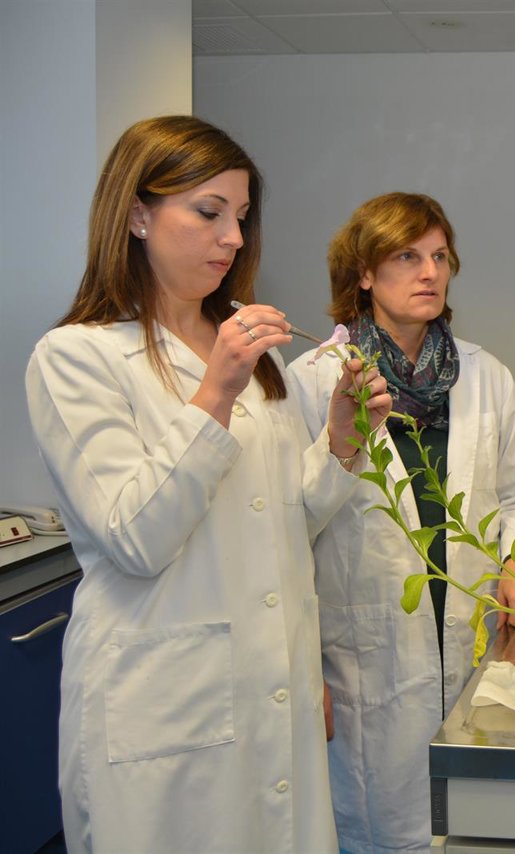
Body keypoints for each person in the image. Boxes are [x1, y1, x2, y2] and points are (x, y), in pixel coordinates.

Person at [24, 115, 391, 853]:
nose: (232, 238)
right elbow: (134, 536)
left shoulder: (258, 363)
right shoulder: (76, 358)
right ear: (135, 214)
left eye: (242, 218)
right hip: (164, 709)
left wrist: (344, 441)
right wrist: (213, 393)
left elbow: (289, 522)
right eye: (208, 212)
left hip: (269, 691)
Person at [288, 192, 515, 853]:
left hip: (472, 643)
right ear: (365, 274)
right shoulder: (311, 381)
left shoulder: (485, 376)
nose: (430, 272)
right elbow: (287, 527)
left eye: (439, 256)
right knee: (382, 830)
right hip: (362, 661)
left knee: (475, 829)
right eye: (407, 256)